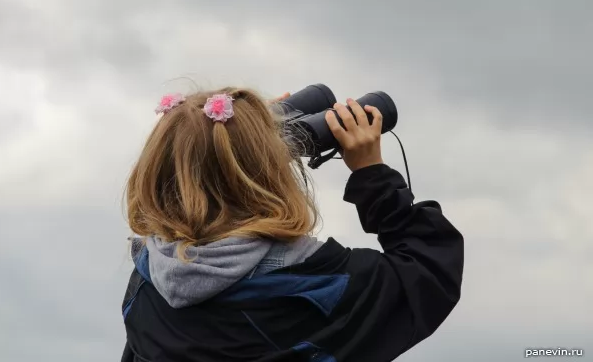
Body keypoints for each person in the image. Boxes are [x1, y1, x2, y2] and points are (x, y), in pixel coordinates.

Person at [120, 87, 464, 362]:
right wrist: (372, 176)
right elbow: (429, 268)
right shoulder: (321, 287)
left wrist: (233, 142)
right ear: (270, 170)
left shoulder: (147, 284)